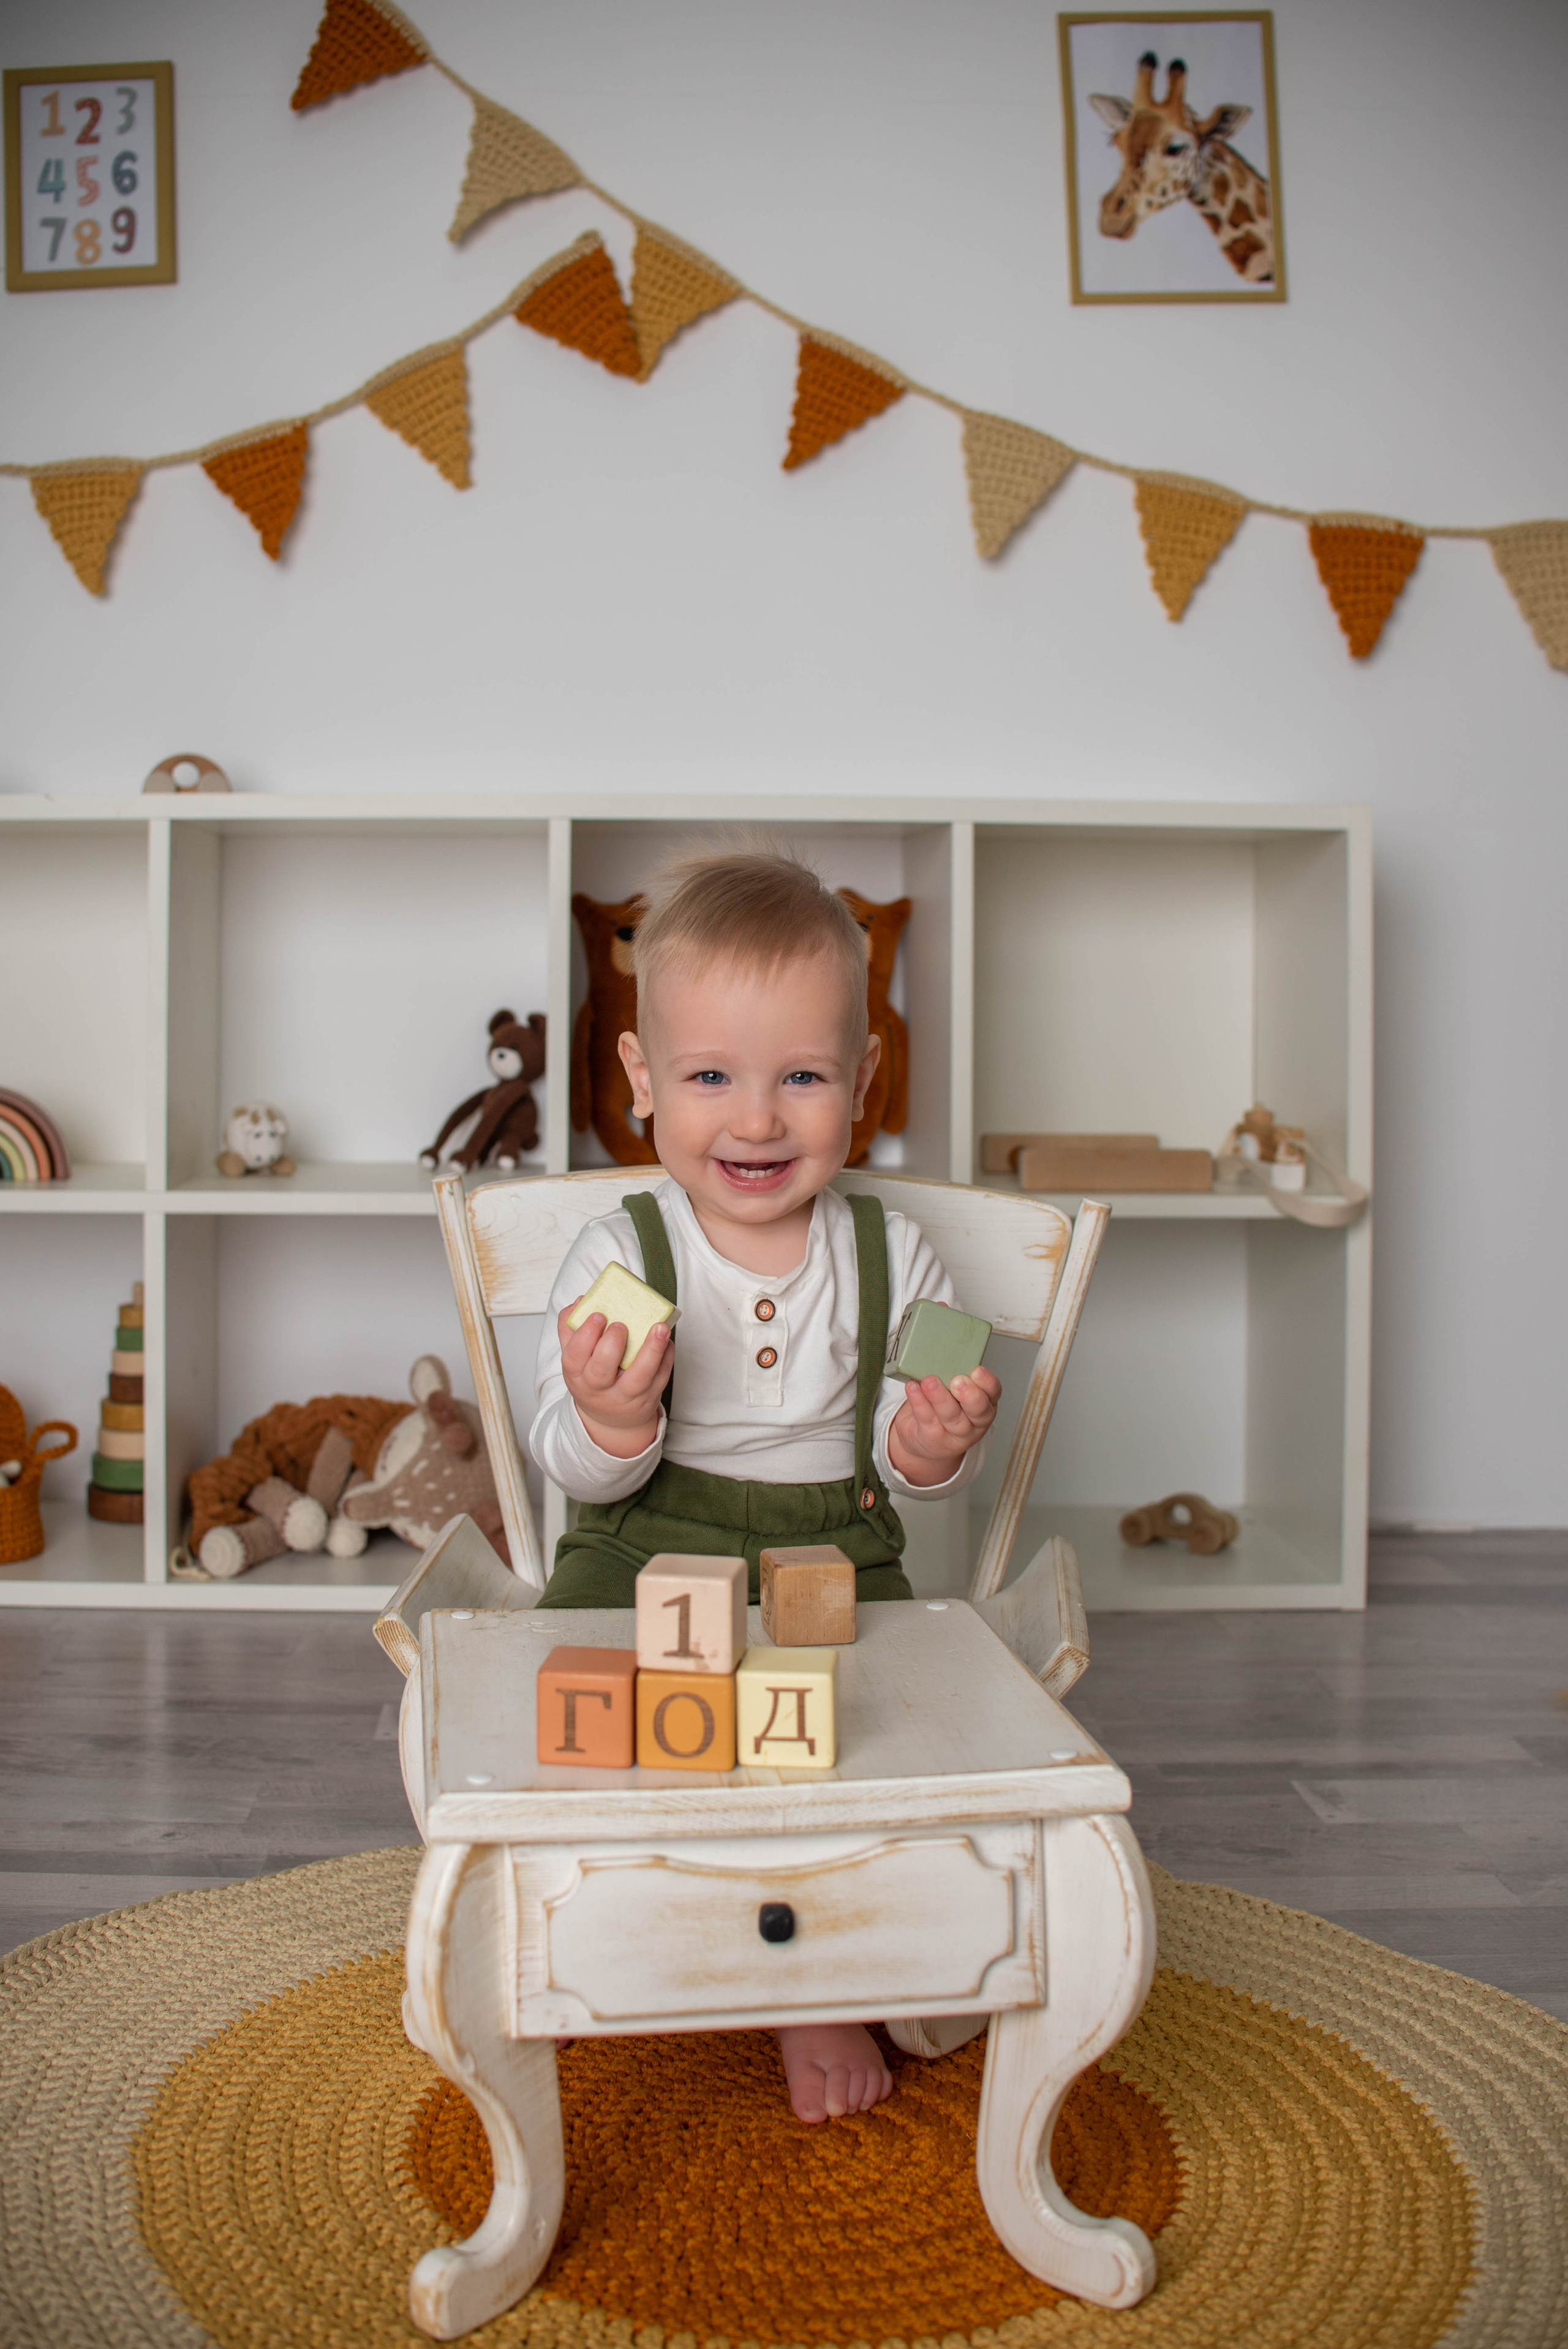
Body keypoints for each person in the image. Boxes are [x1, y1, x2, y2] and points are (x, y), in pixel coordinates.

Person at [529, 842, 1000, 2124]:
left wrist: (933, 1443)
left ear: (861, 1081)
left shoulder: (887, 1251)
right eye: (709, 1077)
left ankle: (815, 1972)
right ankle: (586, 1923)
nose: (754, 1119)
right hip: (638, 1538)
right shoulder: (616, 1248)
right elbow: (561, 1462)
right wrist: (609, 1416)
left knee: (870, 1728)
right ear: (640, 1082)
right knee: (572, 1704)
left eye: (799, 1076)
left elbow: (921, 1476)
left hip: (833, 1546)